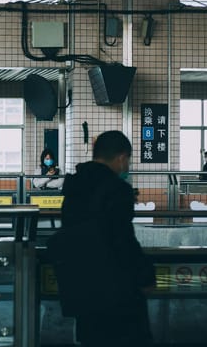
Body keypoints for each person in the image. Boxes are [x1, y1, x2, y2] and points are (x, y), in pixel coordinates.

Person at [46, 130, 155, 347]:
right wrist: (145, 277)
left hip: (80, 287)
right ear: (121, 158)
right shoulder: (117, 189)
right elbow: (123, 241)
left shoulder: (74, 187)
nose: (126, 167)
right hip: (115, 291)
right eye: (128, 161)